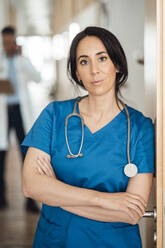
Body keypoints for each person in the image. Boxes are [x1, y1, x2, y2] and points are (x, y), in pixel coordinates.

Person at [21, 26, 155, 247]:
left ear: (117, 64)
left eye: (102, 58)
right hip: (57, 240)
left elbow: (132, 213)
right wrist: (103, 200)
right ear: (76, 73)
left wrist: (55, 191)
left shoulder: (140, 128)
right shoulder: (54, 115)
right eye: (84, 62)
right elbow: (31, 185)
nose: (94, 70)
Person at [0, 26, 41, 212]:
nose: (8, 45)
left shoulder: (22, 61)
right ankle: (1, 198)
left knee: (26, 154)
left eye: (10, 41)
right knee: (1, 156)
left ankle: (30, 200)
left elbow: (37, 78)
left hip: (19, 112)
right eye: (5, 42)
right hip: (3, 112)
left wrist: (23, 58)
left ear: (15, 41)